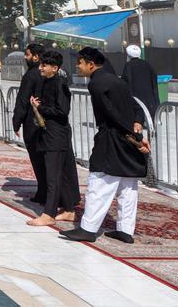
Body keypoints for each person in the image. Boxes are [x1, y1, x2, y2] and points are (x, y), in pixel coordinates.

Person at [62, 47, 150, 244]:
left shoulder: (96, 83)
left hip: (112, 139)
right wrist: (137, 126)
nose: (78, 67)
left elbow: (111, 114)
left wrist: (135, 134)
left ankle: (88, 229)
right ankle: (125, 230)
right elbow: (136, 105)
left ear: (91, 64)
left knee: (99, 183)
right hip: (127, 142)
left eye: (80, 63)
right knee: (127, 186)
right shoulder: (117, 80)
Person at [28, 50, 80, 226]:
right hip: (48, 133)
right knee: (61, 173)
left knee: (53, 175)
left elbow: (63, 111)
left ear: (55, 68)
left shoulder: (60, 84)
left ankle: (49, 214)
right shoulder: (46, 82)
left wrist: (40, 108)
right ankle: (69, 210)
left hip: (56, 134)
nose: (40, 68)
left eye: (44, 65)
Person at [12, 44, 47, 204]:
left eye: (27, 55)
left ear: (36, 56)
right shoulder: (55, 74)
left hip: (34, 122)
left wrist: (16, 121)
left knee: (38, 159)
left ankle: (44, 192)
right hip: (51, 122)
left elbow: (23, 100)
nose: (25, 58)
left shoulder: (31, 75)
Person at [122, 44, 159, 123]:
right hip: (150, 102)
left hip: (136, 103)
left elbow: (125, 83)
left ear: (129, 56)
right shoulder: (147, 65)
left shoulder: (128, 66)